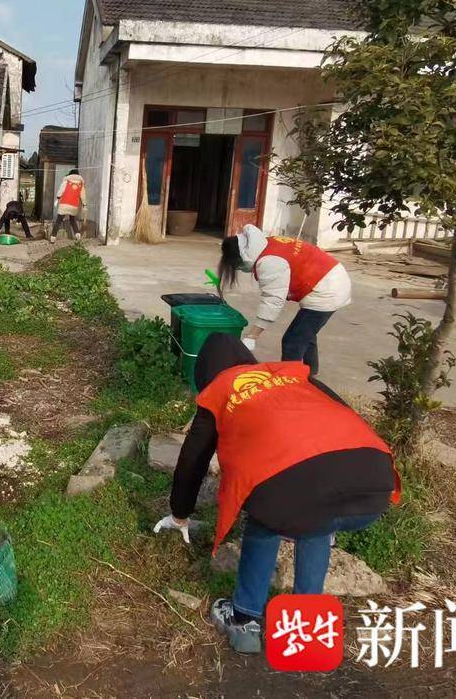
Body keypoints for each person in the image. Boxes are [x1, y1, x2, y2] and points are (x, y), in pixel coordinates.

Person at [154, 333, 399, 654]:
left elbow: (192, 461)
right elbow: (342, 410)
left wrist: (180, 513)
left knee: (267, 517)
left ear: (207, 378)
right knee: (314, 518)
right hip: (374, 484)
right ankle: (306, 628)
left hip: (302, 491)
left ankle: (243, 620)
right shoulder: (291, 375)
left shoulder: (220, 392)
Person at [218, 225, 351, 375]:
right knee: (306, 333)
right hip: (329, 276)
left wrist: (252, 335)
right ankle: (311, 375)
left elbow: (273, 300)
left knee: (292, 342)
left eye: (236, 265)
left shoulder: (269, 261)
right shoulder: (263, 243)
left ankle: (291, 384)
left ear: (240, 257)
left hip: (327, 289)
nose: (239, 269)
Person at [51, 168, 85, 243]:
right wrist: (84, 204)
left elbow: (61, 190)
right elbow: (83, 195)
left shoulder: (66, 181)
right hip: (74, 205)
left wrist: (58, 197)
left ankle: (53, 237)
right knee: (72, 220)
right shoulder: (81, 183)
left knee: (58, 221)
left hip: (64, 204)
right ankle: (77, 234)